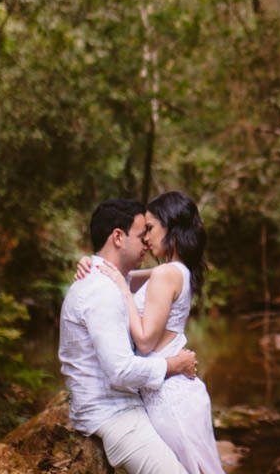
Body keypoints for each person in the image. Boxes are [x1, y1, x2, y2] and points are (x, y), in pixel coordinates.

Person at [80, 191, 226, 474]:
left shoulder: (165, 274)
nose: (145, 237)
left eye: (150, 228)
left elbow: (145, 341)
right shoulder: (179, 270)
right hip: (175, 391)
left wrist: (123, 291)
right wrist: (91, 263)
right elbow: (122, 274)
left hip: (170, 397)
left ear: (169, 226)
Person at [59, 198, 197, 474]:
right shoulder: (101, 291)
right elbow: (120, 371)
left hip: (122, 405)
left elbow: (157, 275)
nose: (147, 242)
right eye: (141, 234)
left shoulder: (107, 280)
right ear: (118, 237)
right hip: (112, 414)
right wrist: (174, 365)